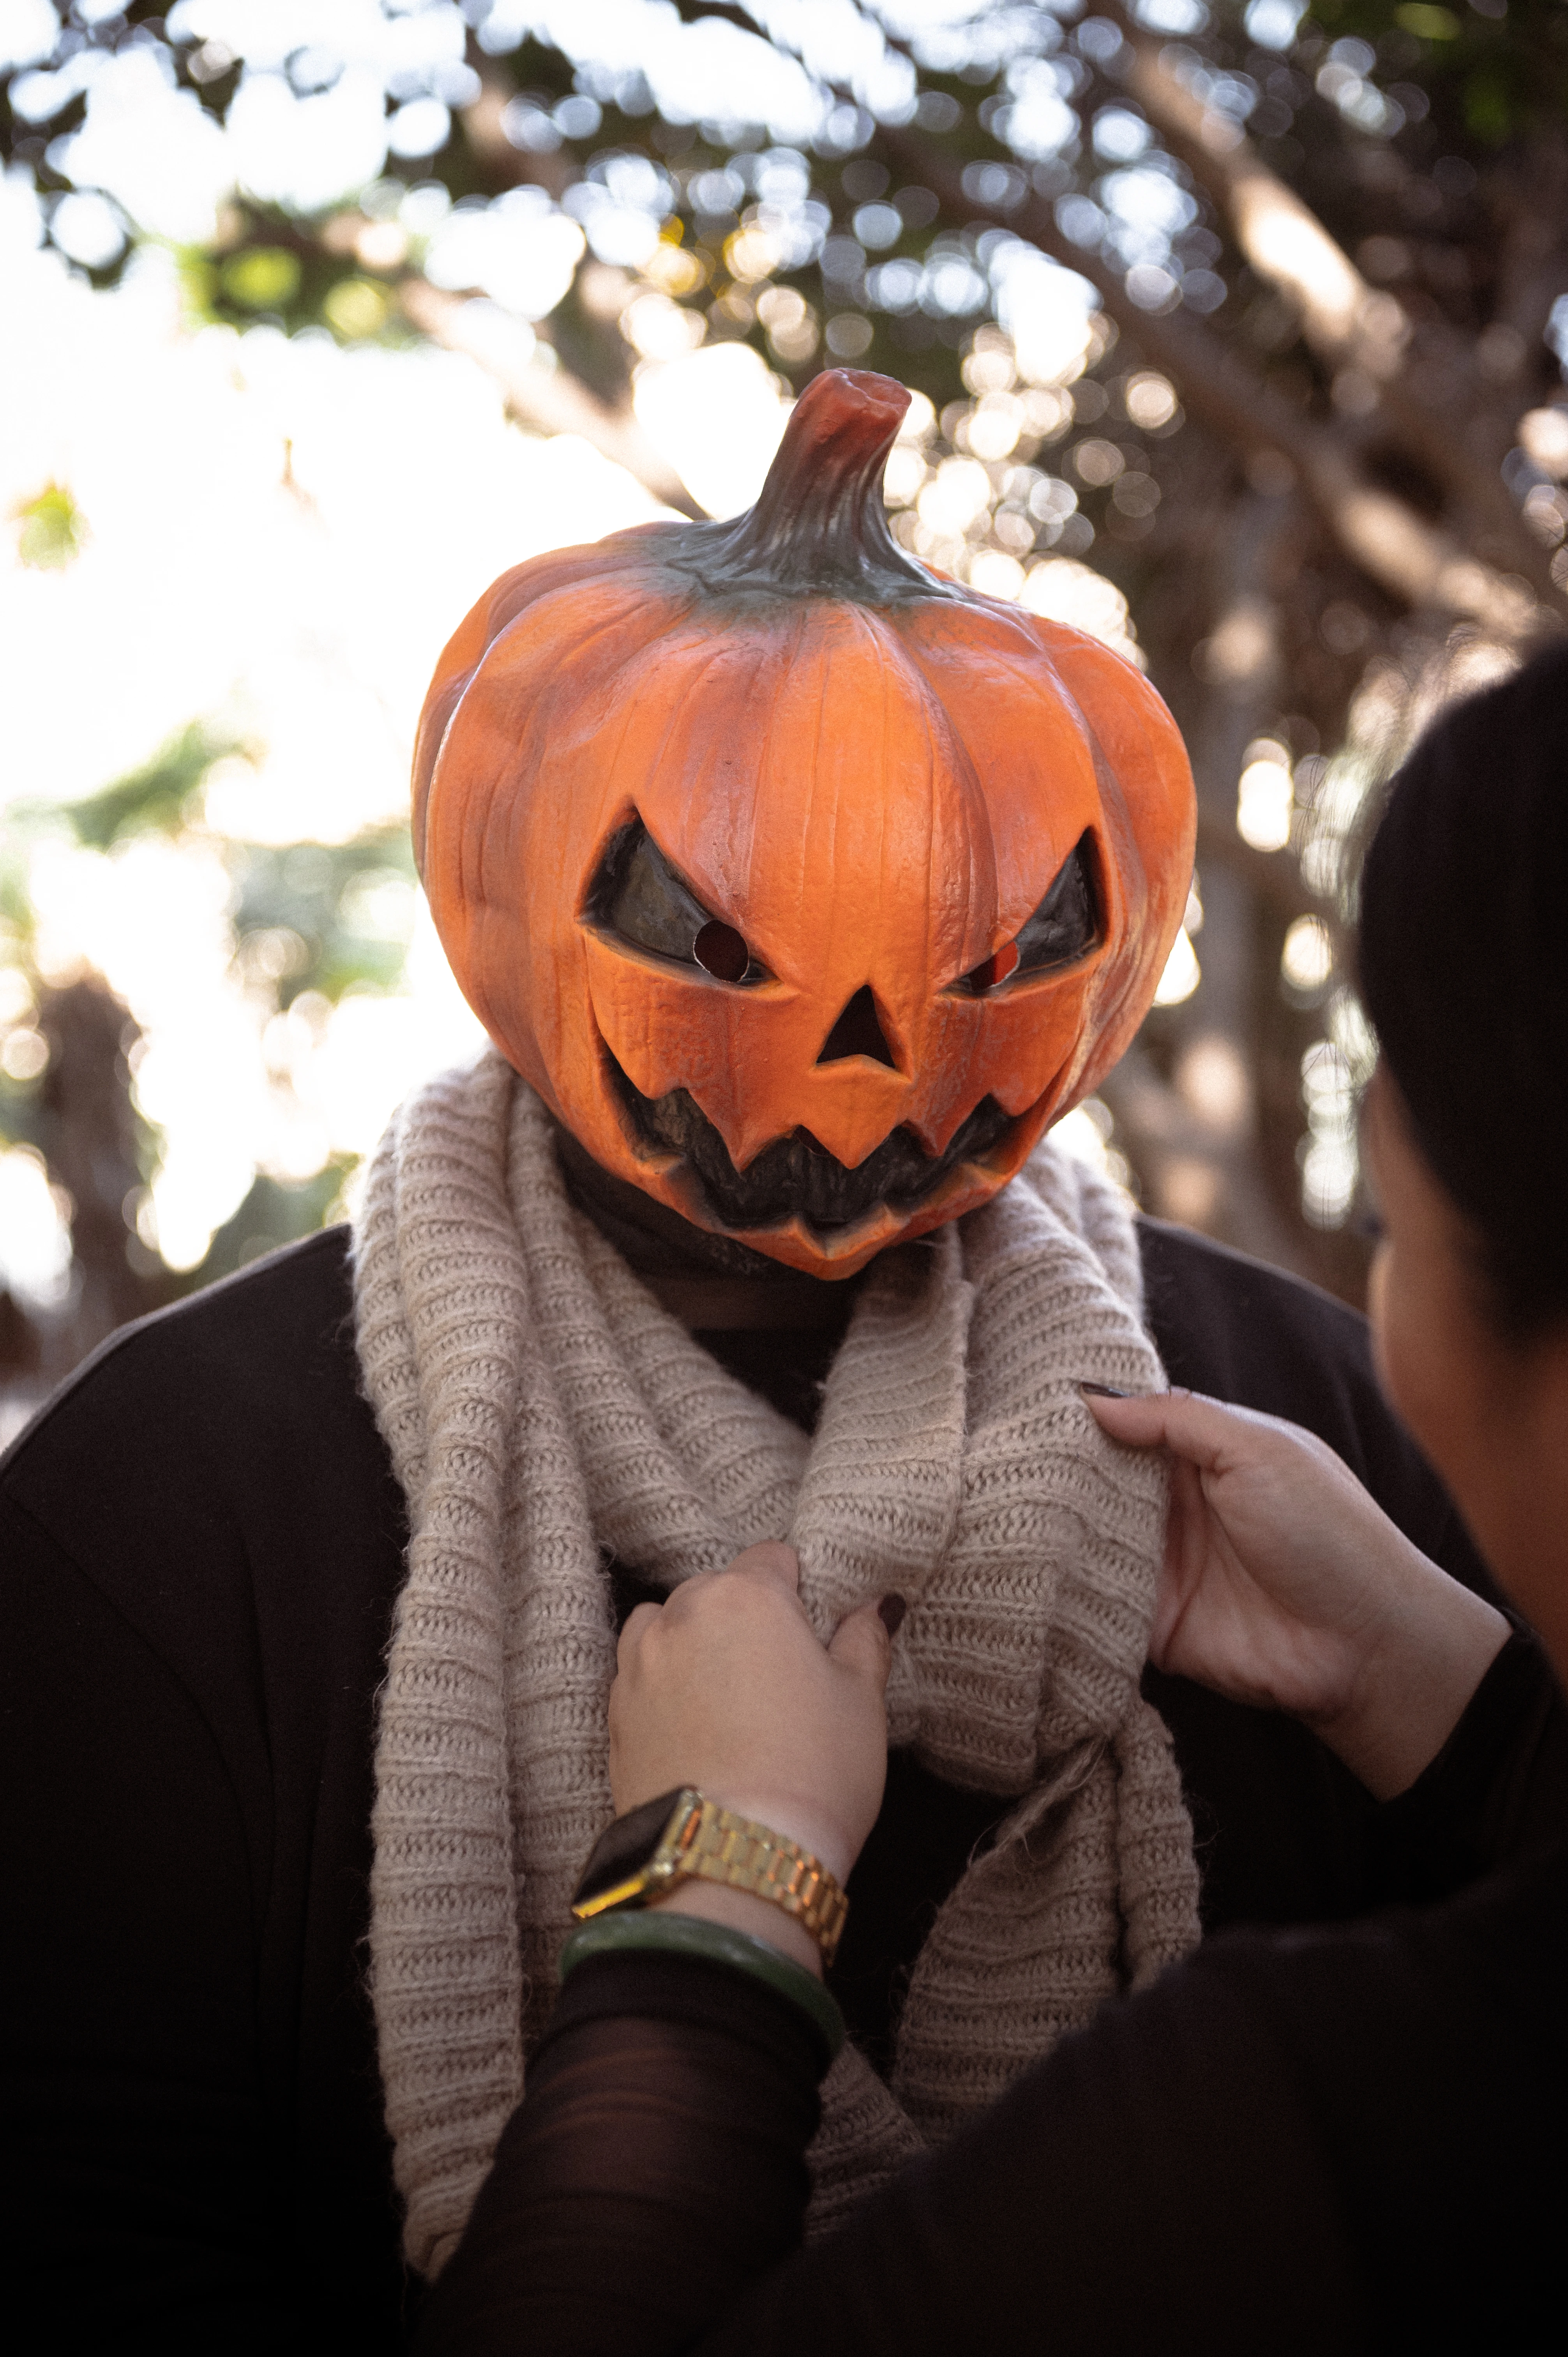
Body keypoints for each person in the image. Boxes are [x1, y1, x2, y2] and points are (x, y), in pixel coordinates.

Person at [0, 380, 1541, 2347]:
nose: (864, 1060)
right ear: (503, 872)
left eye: (1004, 945)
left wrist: (1456, 1703)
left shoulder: (1310, 1440)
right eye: (707, 934)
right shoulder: (160, 1514)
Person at [408, 642, 1568, 2351]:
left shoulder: (1305, 2142)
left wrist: (715, 1892)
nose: (869, 1057)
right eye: (711, 936)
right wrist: (1465, 1710)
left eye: (1390, 1229)